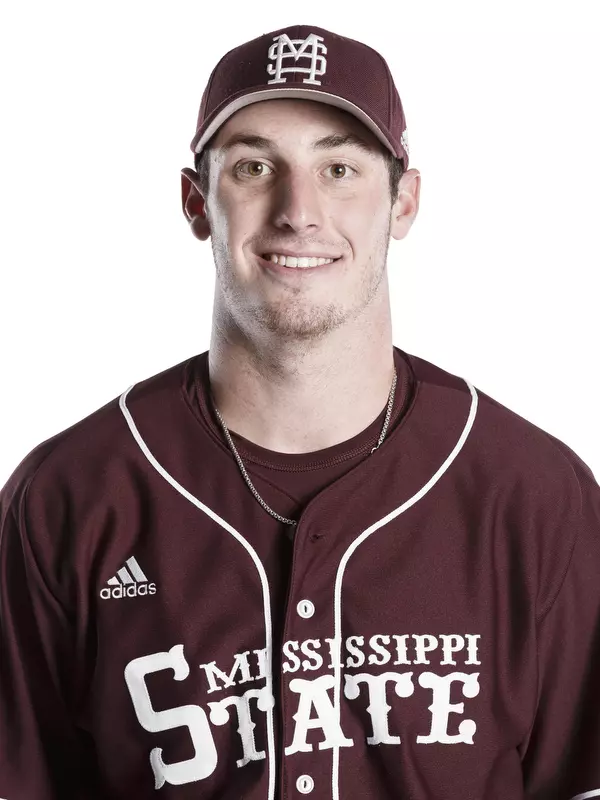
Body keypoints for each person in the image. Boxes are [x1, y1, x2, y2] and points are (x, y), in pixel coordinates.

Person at [0, 22, 599, 800]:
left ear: (404, 202)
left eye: (341, 168)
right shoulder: (67, 500)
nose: (298, 211)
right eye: (254, 167)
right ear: (196, 203)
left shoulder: (536, 498)